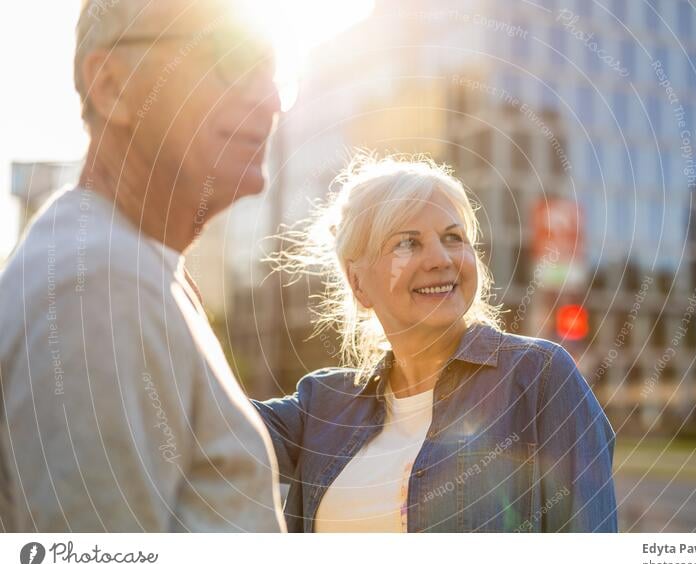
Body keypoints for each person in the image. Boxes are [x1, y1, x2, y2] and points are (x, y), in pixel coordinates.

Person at [0, 0, 285, 532]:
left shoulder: (126, 269)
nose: (270, 100)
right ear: (111, 86)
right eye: (231, 57)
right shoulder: (98, 285)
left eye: (271, 70)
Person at [253, 155, 618, 532]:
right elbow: (199, 423)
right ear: (359, 283)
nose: (441, 259)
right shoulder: (322, 405)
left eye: (452, 238)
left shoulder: (540, 377)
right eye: (408, 243)